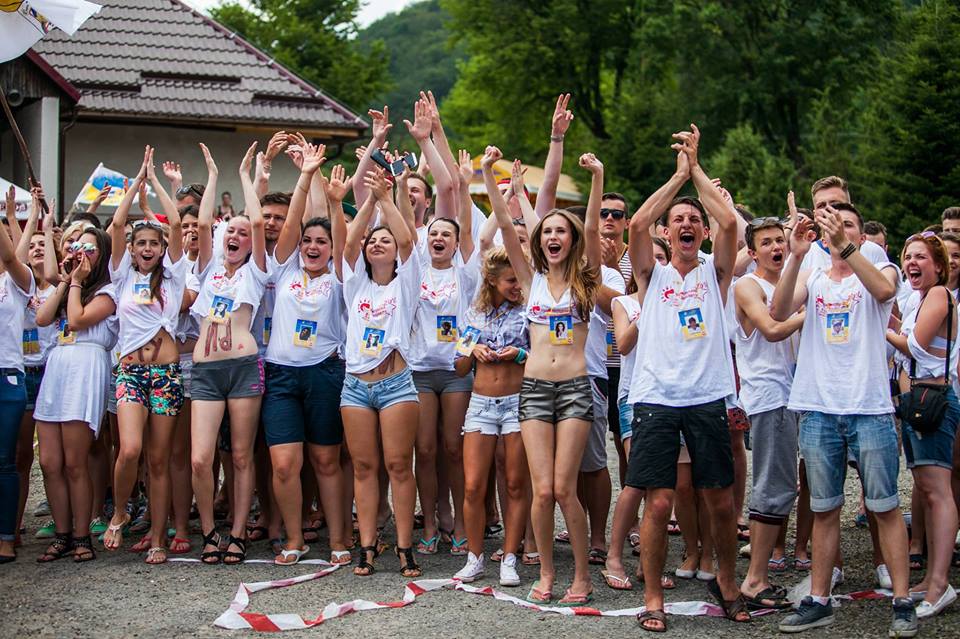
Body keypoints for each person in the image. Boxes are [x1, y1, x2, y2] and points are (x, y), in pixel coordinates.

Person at [772, 204, 916, 635]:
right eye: (832, 223)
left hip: (868, 407)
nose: (838, 227)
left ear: (861, 234)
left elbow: (886, 293)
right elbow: (778, 312)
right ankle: (819, 599)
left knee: (885, 505)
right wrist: (797, 254)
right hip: (818, 406)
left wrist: (847, 244)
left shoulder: (878, 264)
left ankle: (903, 600)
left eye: (849, 223)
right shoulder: (812, 274)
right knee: (824, 507)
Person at [625, 124, 745, 632]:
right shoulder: (651, 274)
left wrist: (697, 171)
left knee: (719, 499)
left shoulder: (715, 273)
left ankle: (728, 581)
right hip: (656, 397)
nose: (687, 224)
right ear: (666, 234)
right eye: (678, 222)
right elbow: (636, 223)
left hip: (706, 396)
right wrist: (676, 181)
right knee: (659, 502)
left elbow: (732, 227)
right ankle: (654, 598)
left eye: (695, 220)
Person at [484, 143, 603, 606]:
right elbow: (503, 220)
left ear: (570, 239)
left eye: (560, 230)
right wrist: (491, 175)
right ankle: (547, 573)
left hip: (574, 390)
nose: (553, 235)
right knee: (541, 489)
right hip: (533, 390)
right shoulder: (529, 279)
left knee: (564, 488)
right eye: (547, 230)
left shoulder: (585, 281)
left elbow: (592, 225)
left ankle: (580, 576)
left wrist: (596, 178)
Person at [261, 144, 351, 567]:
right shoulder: (284, 267)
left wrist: (332, 203)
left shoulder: (339, 276)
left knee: (326, 461)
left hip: (324, 374)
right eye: (308, 241)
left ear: (333, 248)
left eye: (322, 241)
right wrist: (304, 176)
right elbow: (294, 221)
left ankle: (338, 539)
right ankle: (294, 539)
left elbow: (339, 232)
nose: (313, 246)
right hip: (280, 376)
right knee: (284, 464)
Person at [102, 146, 186, 565]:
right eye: (142, 244)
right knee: (130, 449)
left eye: (155, 243)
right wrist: (136, 181)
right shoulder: (121, 276)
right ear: (133, 250)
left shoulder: (173, 276)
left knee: (159, 460)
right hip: (131, 372)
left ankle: (157, 536)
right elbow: (117, 224)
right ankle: (119, 510)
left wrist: (157, 184)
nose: (149, 248)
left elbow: (173, 220)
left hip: (167, 375)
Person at [189, 142, 268, 565]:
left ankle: (237, 533)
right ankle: (208, 531)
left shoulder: (256, 271)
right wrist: (213, 174)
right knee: (201, 458)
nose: (236, 236)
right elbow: (202, 226)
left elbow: (256, 219)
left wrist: (244, 173)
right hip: (205, 370)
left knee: (241, 454)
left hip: (243, 367)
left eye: (241, 233)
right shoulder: (208, 269)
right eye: (230, 232)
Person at [338, 167, 420, 578]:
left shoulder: (405, 283)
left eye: (383, 240)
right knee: (364, 468)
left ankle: (405, 547)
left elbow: (407, 239)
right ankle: (367, 546)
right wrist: (368, 202)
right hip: (355, 387)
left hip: (396, 385)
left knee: (399, 465)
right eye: (375, 240)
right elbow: (350, 242)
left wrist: (387, 198)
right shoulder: (355, 285)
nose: (378, 244)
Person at [408, 145, 478, 558]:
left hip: (455, 371)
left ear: (455, 244)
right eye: (432, 234)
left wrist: (465, 186)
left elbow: (468, 227)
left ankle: (460, 522)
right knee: (425, 449)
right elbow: (406, 224)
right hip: (418, 370)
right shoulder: (415, 268)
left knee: (453, 447)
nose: (438, 239)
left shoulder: (466, 274)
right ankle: (431, 521)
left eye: (445, 235)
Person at [732, 217, 804, 609]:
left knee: (781, 484)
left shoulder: (785, 284)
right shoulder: (747, 285)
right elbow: (772, 327)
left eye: (781, 240)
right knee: (773, 484)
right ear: (753, 250)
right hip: (768, 395)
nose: (776, 247)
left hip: (791, 394)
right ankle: (755, 580)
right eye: (768, 242)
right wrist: (813, 312)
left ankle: (757, 575)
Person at [886, 232, 958, 619]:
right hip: (915, 403)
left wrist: (877, 325)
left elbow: (914, 346)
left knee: (938, 492)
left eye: (921, 258)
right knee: (927, 490)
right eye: (908, 257)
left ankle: (941, 583)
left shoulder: (939, 295)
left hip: (934, 402)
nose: (912, 263)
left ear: (938, 264)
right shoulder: (916, 297)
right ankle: (931, 579)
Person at [34, 220, 115, 563]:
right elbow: (42, 318)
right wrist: (66, 281)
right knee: (50, 461)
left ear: (102, 255)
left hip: (86, 366)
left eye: (88, 249)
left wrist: (78, 282)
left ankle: (83, 534)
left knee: (75, 461)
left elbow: (78, 320)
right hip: (57, 367)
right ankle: (62, 533)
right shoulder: (68, 285)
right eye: (74, 246)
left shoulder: (107, 292)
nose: (79, 253)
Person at [453, 247, 530, 586]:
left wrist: (520, 353)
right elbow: (458, 369)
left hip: (517, 401)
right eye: (511, 281)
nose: (517, 286)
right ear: (493, 280)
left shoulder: (528, 311)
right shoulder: (474, 314)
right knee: (472, 485)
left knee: (514, 482)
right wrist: (472, 350)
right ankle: (475, 556)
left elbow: (543, 355)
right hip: (481, 403)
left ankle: (510, 557)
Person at [0, 192, 34, 563]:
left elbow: (11, 255)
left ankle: (6, 536)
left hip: (7, 375)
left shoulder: (16, 281)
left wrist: (7, 218)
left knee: (4, 461)